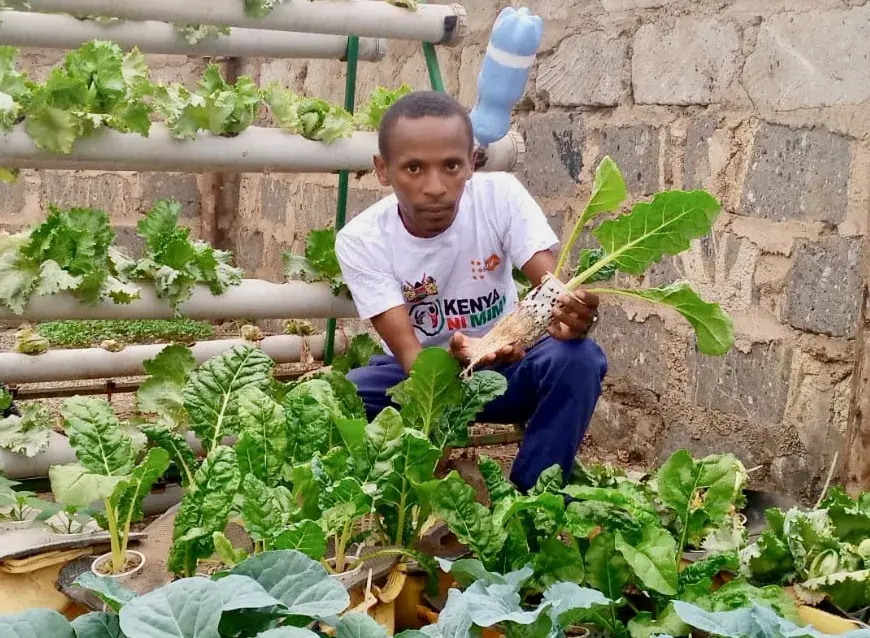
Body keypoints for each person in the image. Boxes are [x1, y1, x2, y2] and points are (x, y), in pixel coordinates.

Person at [335, 91, 607, 492]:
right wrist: (456, 357)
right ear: (382, 169)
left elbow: (551, 290)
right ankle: (386, 497)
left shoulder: (501, 197)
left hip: (507, 370)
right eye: (413, 168)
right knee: (340, 396)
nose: (435, 187)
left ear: (472, 163)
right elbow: (411, 356)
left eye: (451, 166)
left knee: (578, 358)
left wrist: (571, 314)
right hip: (426, 381)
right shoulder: (361, 239)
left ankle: (531, 504)